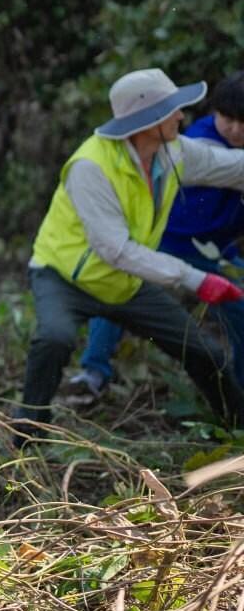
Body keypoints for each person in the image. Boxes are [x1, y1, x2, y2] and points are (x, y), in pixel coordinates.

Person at [17, 68, 244, 438]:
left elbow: (233, 168)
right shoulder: (91, 167)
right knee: (54, 338)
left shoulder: (173, 152)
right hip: (64, 277)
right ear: (149, 120)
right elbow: (116, 250)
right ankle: (26, 433)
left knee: (207, 354)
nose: (181, 117)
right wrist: (198, 280)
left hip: (122, 283)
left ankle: (237, 431)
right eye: (172, 111)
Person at [69, 71, 244, 397]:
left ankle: (237, 394)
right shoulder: (193, 141)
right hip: (167, 243)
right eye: (226, 117)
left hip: (218, 254)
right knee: (120, 287)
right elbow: (228, 167)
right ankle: (93, 372)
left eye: (242, 121)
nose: (234, 129)